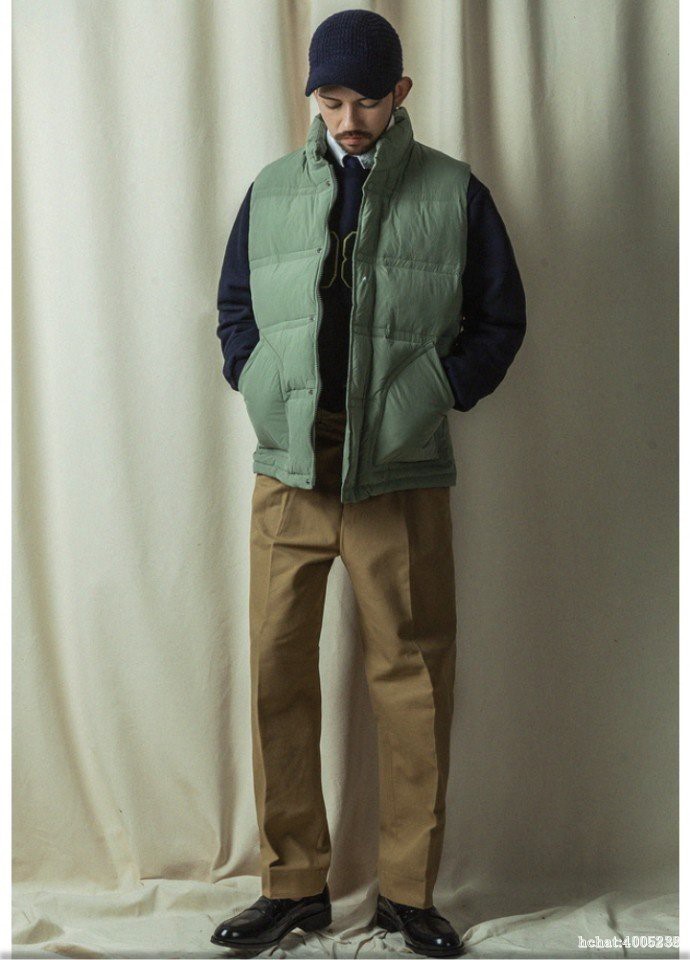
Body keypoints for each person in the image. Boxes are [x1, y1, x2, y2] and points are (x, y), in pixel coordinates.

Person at [210, 9, 526, 958]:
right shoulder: (271, 190)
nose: (349, 120)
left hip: (400, 474)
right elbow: (235, 310)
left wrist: (430, 394)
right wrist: (258, 381)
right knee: (274, 673)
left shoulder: (455, 192)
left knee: (413, 680)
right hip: (291, 472)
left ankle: (407, 895)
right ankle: (292, 887)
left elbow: (500, 321)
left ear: (401, 94)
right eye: (332, 100)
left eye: (367, 100)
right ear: (313, 96)